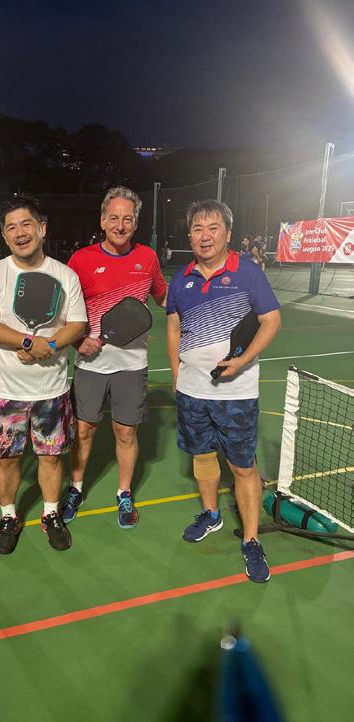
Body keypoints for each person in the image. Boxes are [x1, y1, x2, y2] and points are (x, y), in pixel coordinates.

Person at [166, 199, 281, 583]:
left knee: (243, 467)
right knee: (202, 456)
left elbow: (271, 320)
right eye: (197, 229)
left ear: (228, 234)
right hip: (192, 392)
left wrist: (244, 359)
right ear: (189, 236)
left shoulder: (247, 273)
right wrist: (176, 374)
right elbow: (173, 328)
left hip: (236, 394)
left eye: (213, 228)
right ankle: (212, 514)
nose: (205, 236)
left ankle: (251, 539)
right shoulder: (181, 279)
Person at [0, 196, 87, 554]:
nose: (20, 233)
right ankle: (8, 516)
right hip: (5, 389)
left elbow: (77, 324)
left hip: (51, 388)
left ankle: (50, 513)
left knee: (51, 457)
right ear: (4, 236)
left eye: (26, 224)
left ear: (42, 228)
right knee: (6, 459)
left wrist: (48, 346)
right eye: (11, 227)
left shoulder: (65, 275)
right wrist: (27, 341)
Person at [61, 186, 167, 529]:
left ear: (135, 223)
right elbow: (63, 310)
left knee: (125, 432)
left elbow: (164, 298)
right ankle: (76, 488)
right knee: (84, 430)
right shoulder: (81, 260)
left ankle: (124, 493)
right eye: (114, 218)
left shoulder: (147, 258)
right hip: (90, 365)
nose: (120, 225)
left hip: (132, 366)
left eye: (128, 219)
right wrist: (78, 342)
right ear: (102, 220)